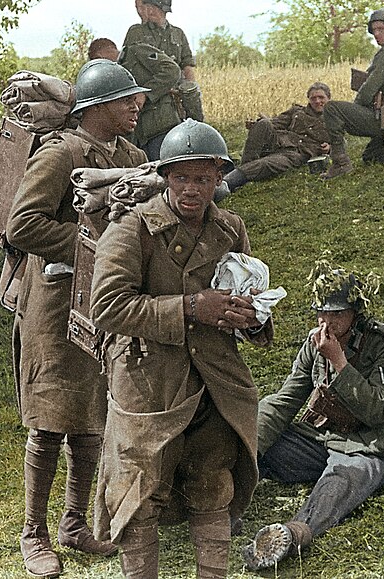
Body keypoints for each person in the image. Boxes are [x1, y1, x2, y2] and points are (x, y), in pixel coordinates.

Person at [88, 119, 272, 579]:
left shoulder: (230, 228)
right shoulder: (132, 229)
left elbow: (245, 287)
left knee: (214, 483)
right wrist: (190, 307)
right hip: (148, 381)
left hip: (214, 381)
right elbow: (107, 307)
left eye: (204, 179)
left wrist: (249, 317)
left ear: (218, 179)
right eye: (182, 178)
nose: (192, 189)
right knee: (138, 491)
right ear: (165, 177)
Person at [6, 59, 149, 578]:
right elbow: (23, 224)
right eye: (126, 99)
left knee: (91, 417)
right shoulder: (62, 152)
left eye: (136, 99)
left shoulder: (129, 156)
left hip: (102, 303)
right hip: (53, 302)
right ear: (96, 108)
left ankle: (72, 525)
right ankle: (33, 532)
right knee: (48, 420)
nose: (137, 106)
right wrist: (95, 246)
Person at [242, 261, 384, 571]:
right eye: (322, 313)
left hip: (370, 442)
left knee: (340, 480)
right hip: (321, 438)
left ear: (356, 313)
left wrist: (339, 363)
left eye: (337, 314)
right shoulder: (315, 341)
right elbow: (285, 400)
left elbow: (380, 411)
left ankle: (294, 534)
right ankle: (224, 498)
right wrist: (247, 447)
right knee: (254, 428)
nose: (327, 321)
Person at [320, 8, 384, 179]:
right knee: (369, 157)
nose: (376, 34)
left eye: (381, 29)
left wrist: (353, 110)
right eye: (374, 30)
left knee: (332, 108)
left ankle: (341, 163)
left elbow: (367, 91)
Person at [220, 82, 332, 196]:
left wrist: (330, 148)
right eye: (313, 98)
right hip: (277, 141)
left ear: (328, 98)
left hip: (294, 153)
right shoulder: (297, 111)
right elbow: (275, 123)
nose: (317, 101)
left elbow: (341, 141)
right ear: (309, 99)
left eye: (321, 97)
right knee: (263, 123)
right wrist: (256, 125)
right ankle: (244, 169)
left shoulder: (333, 120)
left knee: (265, 163)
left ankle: (226, 184)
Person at [122, 0, 205, 122]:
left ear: (165, 10)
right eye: (148, 7)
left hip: (175, 101)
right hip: (148, 103)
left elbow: (187, 66)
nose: (150, 11)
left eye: (155, 7)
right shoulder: (136, 32)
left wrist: (189, 93)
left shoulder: (178, 34)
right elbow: (127, 67)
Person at [117, 39, 182, 161]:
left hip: (161, 130)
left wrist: (146, 93)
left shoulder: (135, 51)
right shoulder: (117, 70)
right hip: (139, 138)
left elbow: (172, 70)